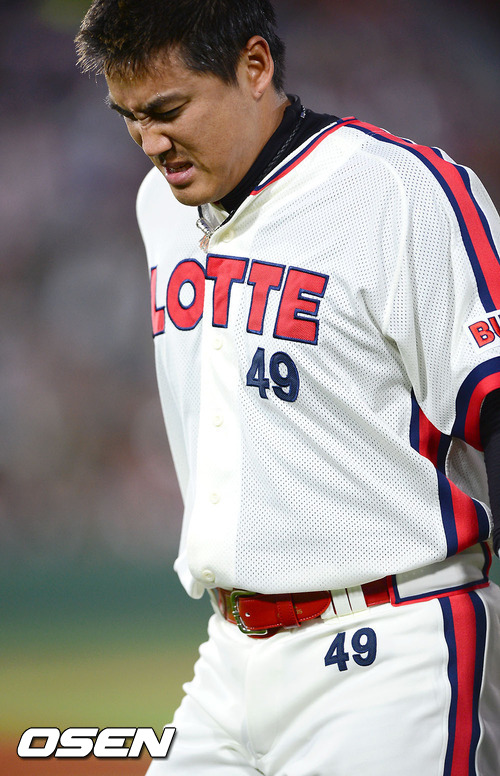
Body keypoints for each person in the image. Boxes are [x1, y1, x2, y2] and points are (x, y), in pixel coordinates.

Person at [75, 1, 500, 773]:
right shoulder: (160, 207)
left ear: (255, 66)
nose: (149, 142)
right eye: (129, 117)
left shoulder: (396, 191)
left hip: (393, 646)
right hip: (228, 653)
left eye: (167, 110)